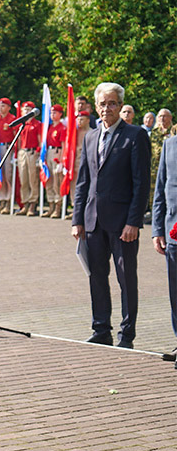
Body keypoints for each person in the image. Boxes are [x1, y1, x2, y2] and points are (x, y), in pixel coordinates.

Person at [71, 82, 150, 348]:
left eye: (113, 103)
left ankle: (126, 335)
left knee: (126, 279)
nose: (107, 108)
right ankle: (101, 328)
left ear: (120, 105)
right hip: (93, 222)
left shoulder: (135, 135)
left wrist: (134, 222)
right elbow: (83, 181)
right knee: (96, 277)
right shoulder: (91, 136)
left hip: (122, 224)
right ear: (97, 107)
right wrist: (77, 219)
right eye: (103, 104)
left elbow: (141, 184)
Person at [151, 130, 177, 366]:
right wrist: (157, 229)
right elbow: (161, 191)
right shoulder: (170, 144)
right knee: (175, 292)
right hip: (173, 232)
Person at [15, 102, 43, 216]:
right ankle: (25, 203)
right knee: (23, 179)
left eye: (28, 109)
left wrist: (39, 153)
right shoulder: (22, 124)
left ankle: (33, 204)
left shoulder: (37, 124)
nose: (26, 111)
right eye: (24, 109)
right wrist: (17, 153)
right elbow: (19, 140)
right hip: (23, 152)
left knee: (33, 179)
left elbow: (40, 139)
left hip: (32, 152)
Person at [44, 104, 67, 218]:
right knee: (49, 180)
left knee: (57, 181)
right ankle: (51, 205)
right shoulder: (49, 127)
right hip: (49, 152)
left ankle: (58, 206)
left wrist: (62, 161)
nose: (52, 115)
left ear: (60, 114)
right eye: (51, 112)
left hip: (57, 152)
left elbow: (63, 145)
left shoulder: (62, 128)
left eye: (55, 113)